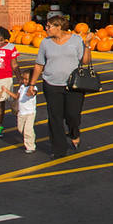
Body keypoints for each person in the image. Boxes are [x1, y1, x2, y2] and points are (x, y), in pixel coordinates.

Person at [28, 13, 92, 159]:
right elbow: (39, 64)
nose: (46, 28)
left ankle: (74, 132)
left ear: (59, 27)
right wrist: (32, 84)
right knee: (55, 117)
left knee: (73, 115)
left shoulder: (75, 40)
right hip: (51, 84)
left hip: (73, 85)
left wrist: (87, 45)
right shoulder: (45, 43)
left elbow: (85, 62)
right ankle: (58, 149)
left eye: (49, 26)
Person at [14, 65, 39, 153]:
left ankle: (30, 146)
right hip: (21, 113)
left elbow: (35, 92)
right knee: (21, 129)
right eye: (23, 79)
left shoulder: (33, 87)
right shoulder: (21, 87)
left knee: (28, 130)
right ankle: (30, 137)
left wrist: (32, 92)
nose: (24, 81)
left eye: (26, 79)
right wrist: (6, 91)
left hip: (30, 113)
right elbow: (16, 97)